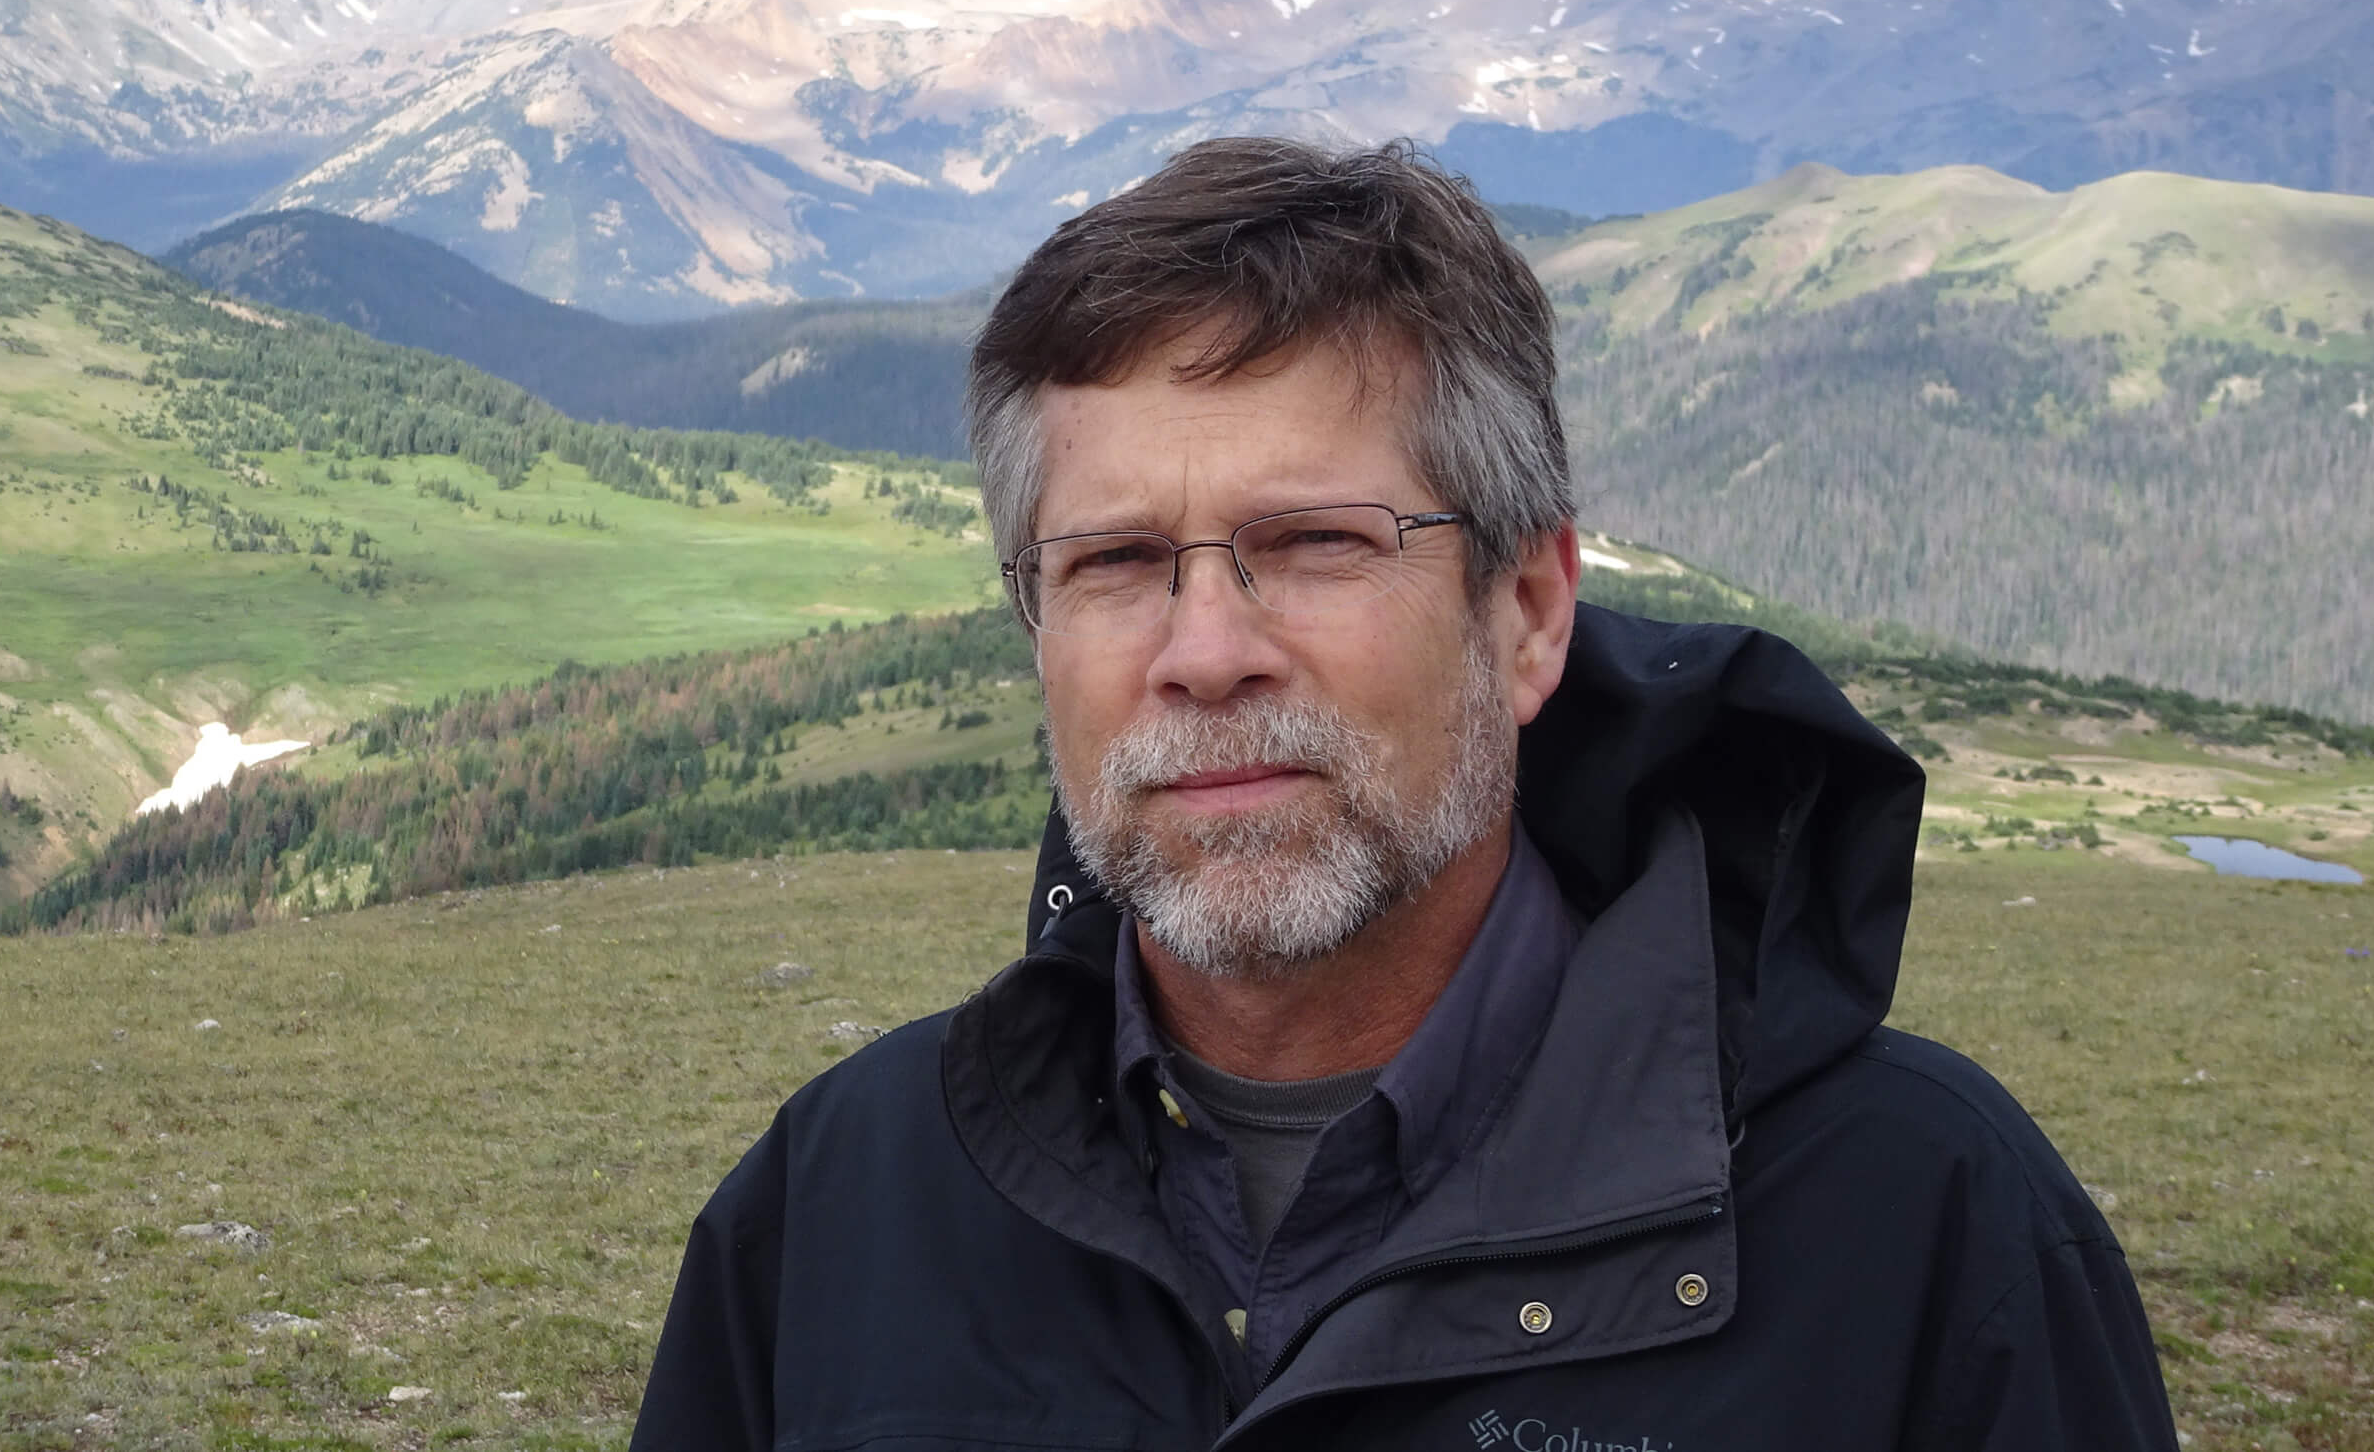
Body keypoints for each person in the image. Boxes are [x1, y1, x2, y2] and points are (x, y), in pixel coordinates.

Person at [632, 137, 2175, 1450]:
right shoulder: (837, 1208)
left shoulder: (1925, 1228)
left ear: (1529, 609)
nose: (1206, 652)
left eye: (1316, 541)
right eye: (1111, 564)